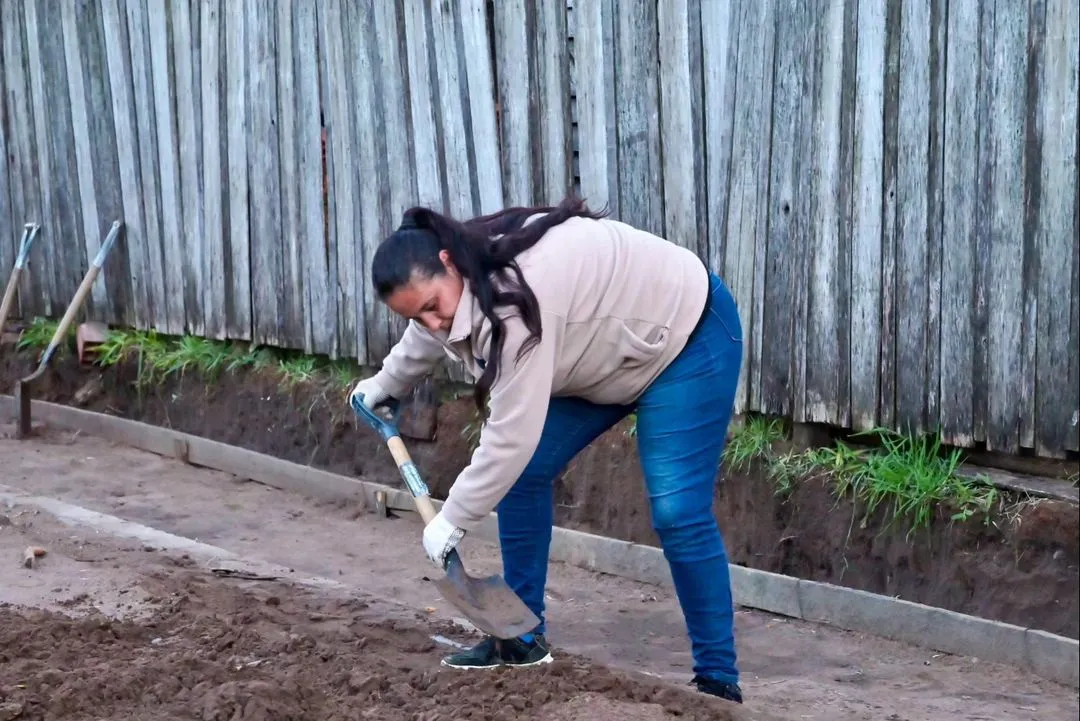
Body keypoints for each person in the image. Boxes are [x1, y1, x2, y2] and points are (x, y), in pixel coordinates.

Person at [348, 194, 745, 704]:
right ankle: (520, 640)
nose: (432, 323)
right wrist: (388, 383)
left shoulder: (519, 301)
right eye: (416, 316)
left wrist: (453, 518)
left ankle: (717, 680)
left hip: (687, 336)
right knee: (525, 474)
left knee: (677, 511)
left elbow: (510, 436)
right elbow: (437, 329)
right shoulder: (462, 277)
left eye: (431, 306)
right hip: (605, 352)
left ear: (447, 263)